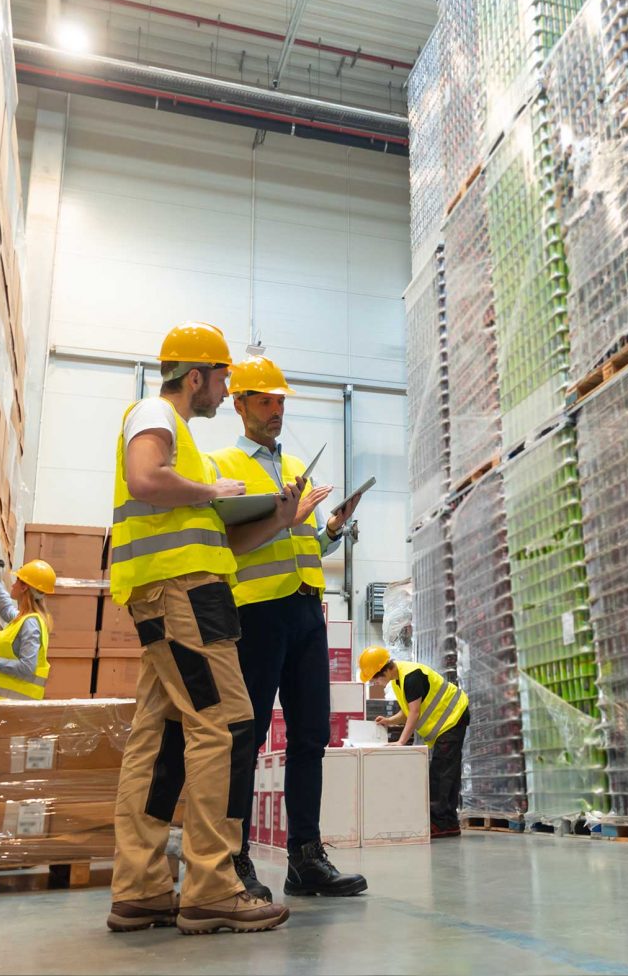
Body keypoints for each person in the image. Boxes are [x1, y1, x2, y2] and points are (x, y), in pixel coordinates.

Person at [107, 322, 303, 936]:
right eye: (222, 377)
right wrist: (211, 488)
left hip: (177, 599)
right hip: (184, 600)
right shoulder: (152, 414)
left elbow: (224, 542)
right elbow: (145, 477)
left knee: (155, 739)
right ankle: (213, 887)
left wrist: (281, 517)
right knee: (224, 724)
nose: (226, 388)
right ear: (195, 377)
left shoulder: (183, 440)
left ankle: (139, 887)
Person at [209, 355, 367, 898]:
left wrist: (331, 531)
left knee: (310, 738)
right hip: (256, 613)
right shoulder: (223, 466)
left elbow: (304, 545)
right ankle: (234, 859)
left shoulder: (297, 465)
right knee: (245, 740)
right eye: (265, 400)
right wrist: (287, 520)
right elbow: (229, 546)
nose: (276, 410)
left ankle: (305, 857)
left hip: (305, 612)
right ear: (240, 404)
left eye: (281, 402)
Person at [358, 647, 469, 838]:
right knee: (447, 772)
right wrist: (389, 720)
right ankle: (449, 823)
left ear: (382, 670)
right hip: (448, 722)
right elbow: (408, 712)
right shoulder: (398, 680)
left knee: (440, 774)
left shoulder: (411, 677)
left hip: (453, 717)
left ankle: (440, 824)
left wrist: (401, 741)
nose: (375, 682)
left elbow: (415, 713)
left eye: (374, 678)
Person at [0, 559, 56, 700]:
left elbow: (27, 667)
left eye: (17, 581)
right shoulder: (25, 618)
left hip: (13, 708)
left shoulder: (30, 623)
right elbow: (6, 609)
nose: (13, 585)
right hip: (7, 706)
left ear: (24, 588)